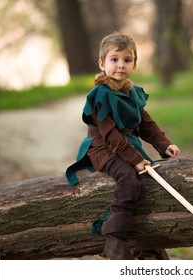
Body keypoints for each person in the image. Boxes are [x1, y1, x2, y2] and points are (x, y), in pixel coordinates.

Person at [65, 32, 180, 260]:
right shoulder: (100, 95)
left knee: (150, 179)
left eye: (127, 60)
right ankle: (114, 237)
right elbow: (110, 136)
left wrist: (164, 145)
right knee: (128, 176)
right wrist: (135, 159)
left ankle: (148, 244)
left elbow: (146, 124)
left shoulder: (131, 92)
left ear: (134, 65)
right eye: (114, 59)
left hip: (127, 144)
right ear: (102, 63)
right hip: (103, 148)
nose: (120, 65)